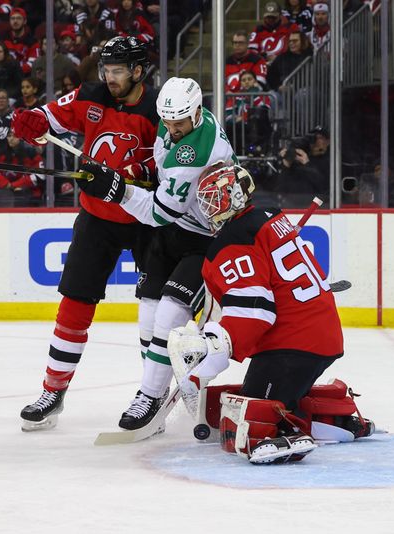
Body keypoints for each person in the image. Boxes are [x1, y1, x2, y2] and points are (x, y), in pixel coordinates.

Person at [168, 164, 373, 464]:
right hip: (317, 334)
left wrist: (213, 351)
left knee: (247, 422)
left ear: (236, 195)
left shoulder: (234, 239)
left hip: (292, 344)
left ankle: (281, 433)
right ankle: (340, 420)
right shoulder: (270, 216)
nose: (210, 208)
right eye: (206, 201)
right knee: (266, 400)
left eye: (216, 198)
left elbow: (255, 313)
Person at [11, 36, 160, 432]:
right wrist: (34, 122)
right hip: (97, 218)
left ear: (138, 72)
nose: (108, 78)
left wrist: (138, 180)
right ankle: (53, 391)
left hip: (147, 220)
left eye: (117, 71)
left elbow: (171, 174)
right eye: (106, 70)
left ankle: (156, 393)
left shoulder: (157, 110)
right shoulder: (91, 95)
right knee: (75, 304)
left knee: (158, 313)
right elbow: (50, 117)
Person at [76, 77, 236, 430]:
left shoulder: (195, 152)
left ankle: (150, 394)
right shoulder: (180, 119)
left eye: (179, 122)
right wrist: (143, 172)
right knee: (148, 314)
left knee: (168, 314)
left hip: (206, 238)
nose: (173, 129)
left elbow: (158, 211)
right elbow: (164, 174)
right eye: (168, 122)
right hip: (173, 233)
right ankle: (157, 386)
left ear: (196, 113)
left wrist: (116, 190)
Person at [0, 7, 40, 76]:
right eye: (13, 18)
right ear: (9, 21)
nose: (15, 21)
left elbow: (32, 64)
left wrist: (13, 72)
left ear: (25, 21)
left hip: (21, 77)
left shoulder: (33, 42)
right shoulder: (0, 35)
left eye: (19, 18)